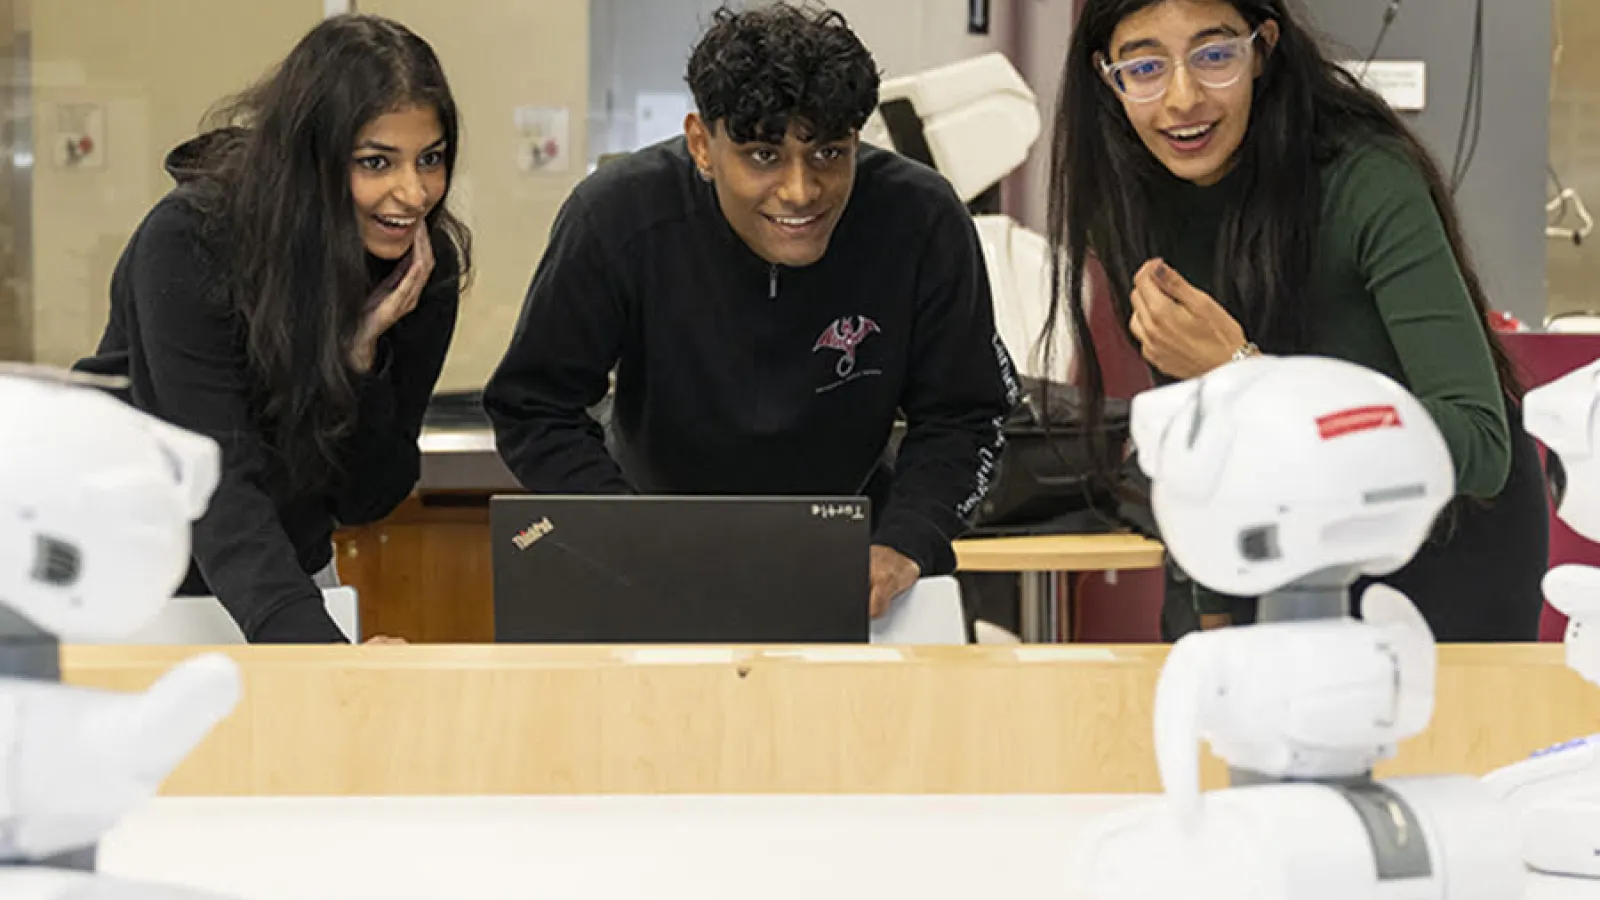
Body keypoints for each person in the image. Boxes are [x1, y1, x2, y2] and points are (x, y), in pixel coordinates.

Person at [484, 2, 1019, 618]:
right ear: (701, 146)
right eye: (764, 155)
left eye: (828, 152)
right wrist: (625, 530)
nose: (800, 191)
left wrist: (907, 540)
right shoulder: (616, 218)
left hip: (852, 567)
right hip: (647, 551)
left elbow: (966, 414)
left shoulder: (920, 220)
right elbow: (533, 406)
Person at [1044, 0, 1549, 641]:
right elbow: (1196, 435)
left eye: (1215, 54)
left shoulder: (1363, 177)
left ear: (1263, 48)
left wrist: (1243, 373)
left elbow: (1479, 448)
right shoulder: (1131, 196)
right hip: (1276, 537)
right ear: (1107, 75)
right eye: (1144, 66)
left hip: (1437, 538)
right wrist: (1205, 606)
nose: (1182, 98)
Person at [73, 14, 472, 643]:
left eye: (431, 159)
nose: (413, 192)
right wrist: (325, 660)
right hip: (138, 581)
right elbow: (216, 485)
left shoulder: (420, 266)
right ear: (309, 159)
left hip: (282, 580)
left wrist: (360, 355)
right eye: (375, 162)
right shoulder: (189, 241)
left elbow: (368, 499)